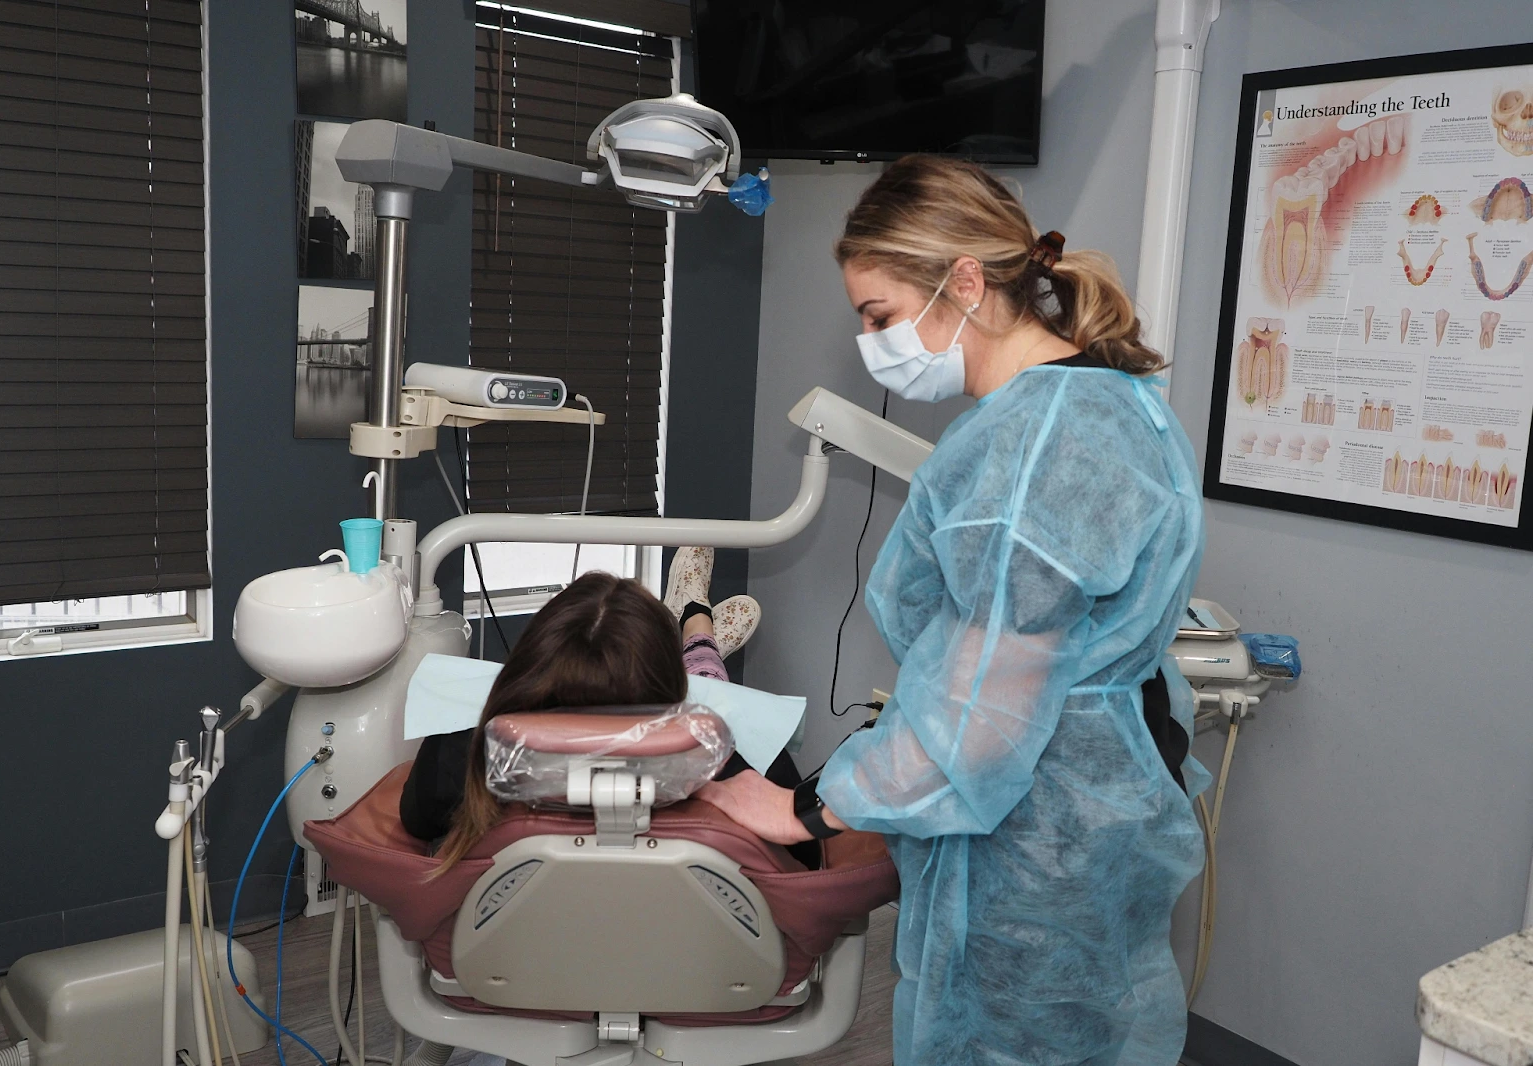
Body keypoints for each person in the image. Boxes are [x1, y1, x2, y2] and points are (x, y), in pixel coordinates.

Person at [696, 155, 1210, 1065]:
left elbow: (980, 719)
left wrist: (806, 811)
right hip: (1086, 811)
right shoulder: (1112, 404)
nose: (873, 343)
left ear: (965, 281)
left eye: (880, 316)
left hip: (1035, 842)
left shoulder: (1032, 449)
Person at [400, 563, 804, 872]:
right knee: (715, 686)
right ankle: (698, 632)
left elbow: (415, 823)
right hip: (696, 971)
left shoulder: (465, 757)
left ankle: (696, 630)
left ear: (528, 664)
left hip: (513, 971)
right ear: (674, 689)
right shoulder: (734, 763)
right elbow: (809, 857)